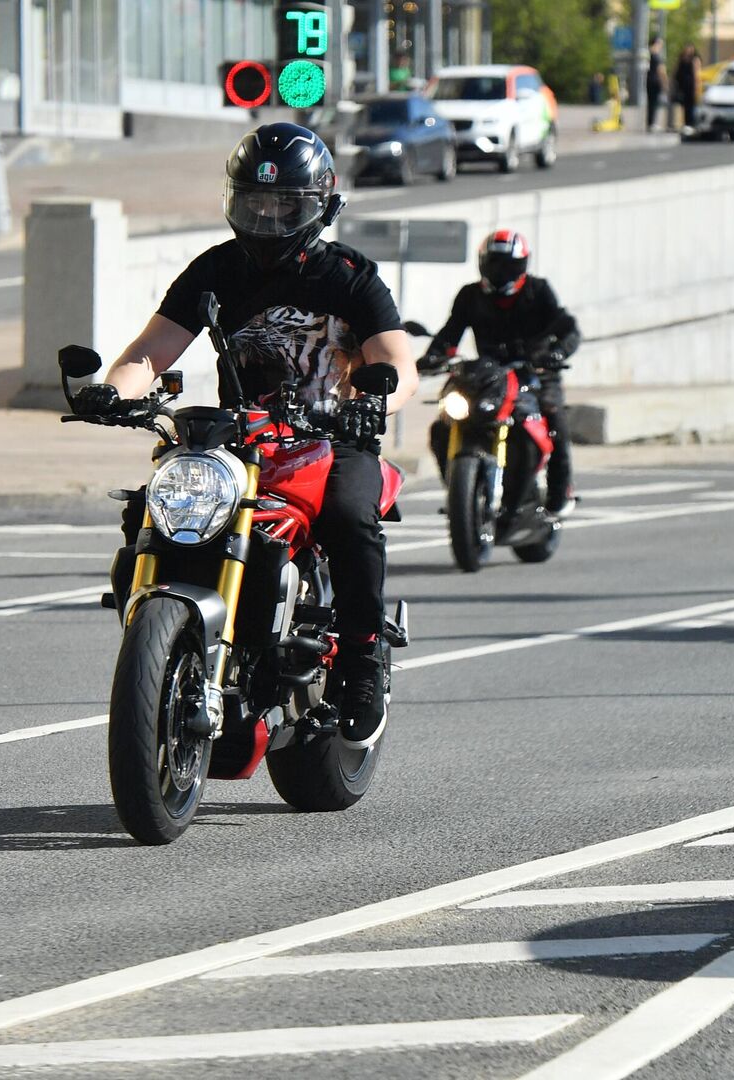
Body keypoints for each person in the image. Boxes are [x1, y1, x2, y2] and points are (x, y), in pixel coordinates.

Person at [75, 122, 419, 747]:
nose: (266, 217)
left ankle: (364, 657)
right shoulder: (217, 269)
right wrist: (111, 391)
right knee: (153, 504)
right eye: (254, 203)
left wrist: (374, 402)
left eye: (284, 203)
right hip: (244, 437)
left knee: (348, 514)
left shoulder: (349, 277)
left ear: (318, 204)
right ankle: (160, 639)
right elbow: (150, 353)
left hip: (333, 435)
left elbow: (398, 360)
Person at [418, 229, 580, 516]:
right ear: (482, 263)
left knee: (555, 420)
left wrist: (557, 353)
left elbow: (567, 327)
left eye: (508, 264)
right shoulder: (470, 295)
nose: (501, 270)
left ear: (522, 265)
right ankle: (459, 488)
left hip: (536, 371)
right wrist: (432, 357)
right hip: (488, 375)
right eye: (494, 263)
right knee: (443, 423)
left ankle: (560, 493)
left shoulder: (538, 290)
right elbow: (450, 333)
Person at [675, 45, 701, 134]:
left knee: (692, 106)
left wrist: (697, 87)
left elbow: (696, 74)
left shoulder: (694, 60)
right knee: (685, 106)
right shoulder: (682, 60)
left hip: (691, 86)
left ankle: (692, 124)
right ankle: (687, 124)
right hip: (683, 87)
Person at [646, 37, 667, 132]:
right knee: (654, 103)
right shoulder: (657, 56)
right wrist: (665, 83)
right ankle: (652, 123)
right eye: (660, 44)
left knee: (651, 103)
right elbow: (661, 70)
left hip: (649, 81)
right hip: (655, 81)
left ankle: (650, 123)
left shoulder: (647, 54)